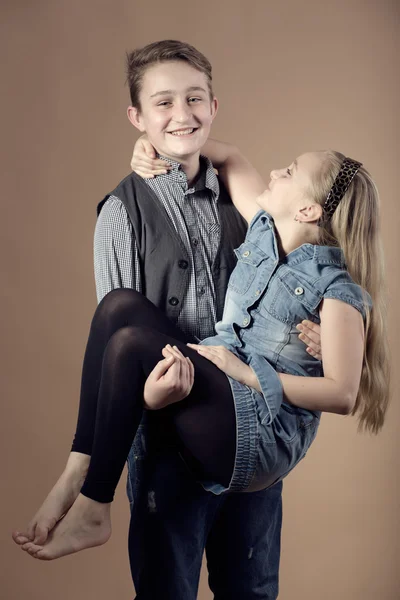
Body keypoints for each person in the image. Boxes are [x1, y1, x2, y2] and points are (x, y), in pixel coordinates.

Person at [12, 40, 326, 600]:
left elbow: (313, 273)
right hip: (167, 446)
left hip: (245, 424)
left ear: (214, 106)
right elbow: (113, 354)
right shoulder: (120, 213)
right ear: (136, 117)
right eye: (162, 104)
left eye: (194, 99)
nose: (182, 114)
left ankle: (83, 478)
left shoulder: (251, 197)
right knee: (119, 317)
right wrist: (149, 401)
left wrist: (326, 333)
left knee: (252, 590)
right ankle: (84, 472)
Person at [13, 137, 389, 566]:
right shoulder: (264, 227)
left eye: (289, 171)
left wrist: (250, 375)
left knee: (130, 343)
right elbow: (227, 156)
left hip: (257, 433)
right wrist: (153, 146)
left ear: (308, 210)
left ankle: (96, 503)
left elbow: (343, 394)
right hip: (222, 389)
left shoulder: (338, 291)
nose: (274, 172)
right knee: (118, 305)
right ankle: (80, 465)